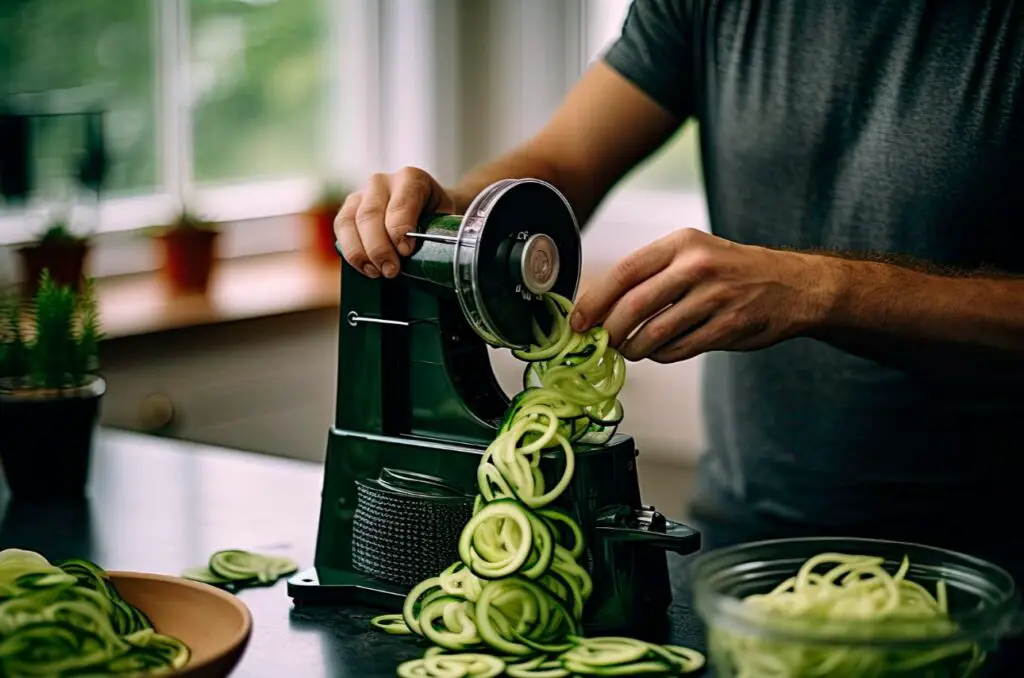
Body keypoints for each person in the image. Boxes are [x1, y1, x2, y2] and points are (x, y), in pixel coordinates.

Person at [337, 0, 1024, 671]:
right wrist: (457, 217)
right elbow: (565, 159)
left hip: (996, 571)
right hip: (745, 556)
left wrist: (822, 290)